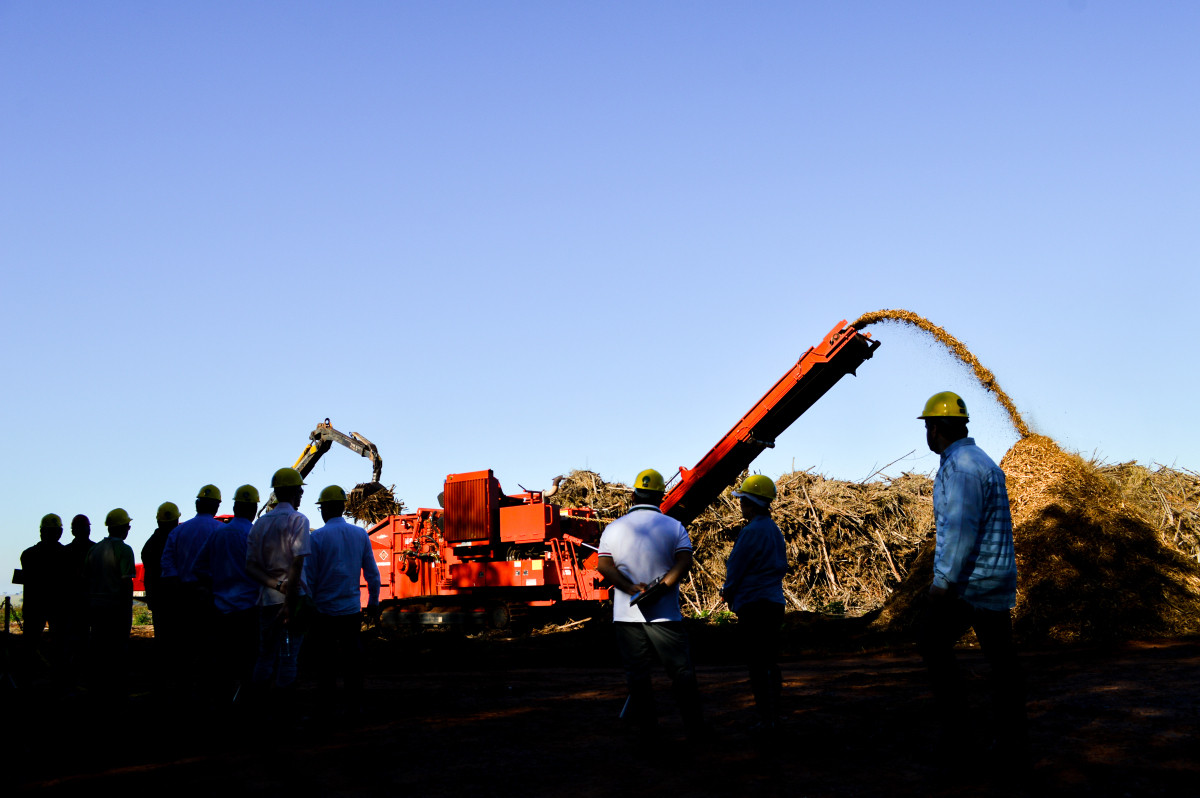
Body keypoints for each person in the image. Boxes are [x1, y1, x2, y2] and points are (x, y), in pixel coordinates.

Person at [916, 391, 1028, 762]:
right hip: (993, 580)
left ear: (935, 428)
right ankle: (1011, 743)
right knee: (1003, 665)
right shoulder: (979, 460)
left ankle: (960, 738)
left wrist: (942, 584)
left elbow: (961, 530)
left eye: (927, 427)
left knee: (934, 645)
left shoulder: (961, 466)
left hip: (969, 585)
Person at [596, 468, 704, 737]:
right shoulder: (674, 526)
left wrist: (631, 588)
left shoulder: (614, 528)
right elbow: (684, 561)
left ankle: (648, 732)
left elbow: (604, 565)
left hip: (626, 616)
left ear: (634, 495)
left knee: (638, 675)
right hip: (665, 615)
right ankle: (694, 727)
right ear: (660, 497)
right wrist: (662, 587)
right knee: (680, 671)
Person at [720, 474, 788, 732]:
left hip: (753, 604)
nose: (740, 505)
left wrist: (728, 592)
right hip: (773, 602)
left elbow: (735, 568)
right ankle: (774, 715)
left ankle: (765, 718)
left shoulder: (750, 532)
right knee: (770, 660)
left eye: (742, 501)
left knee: (757, 664)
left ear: (749, 503)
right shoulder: (774, 530)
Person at [307, 485, 381, 718]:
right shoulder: (360, 535)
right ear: (343, 508)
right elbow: (372, 573)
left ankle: (326, 711)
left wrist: (306, 606)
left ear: (325, 509)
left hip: (324, 612)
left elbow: (307, 579)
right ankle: (354, 709)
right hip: (350, 611)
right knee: (353, 663)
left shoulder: (316, 538)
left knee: (326, 664)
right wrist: (374, 602)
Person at [245, 468, 312, 697]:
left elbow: (250, 567)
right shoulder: (298, 520)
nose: (301, 495)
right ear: (294, 492)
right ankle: (284, 713)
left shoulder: (259, 524)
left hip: (267, 600)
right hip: (294, 600)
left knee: (265, 655)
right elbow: (297, 564)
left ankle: (258, 707)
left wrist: (275, 586)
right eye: (300, 490)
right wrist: (288, 602)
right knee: (289, 657)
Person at [194, 485, 261, 704]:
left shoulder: (218, 534)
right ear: (254, 508)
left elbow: (199, 568)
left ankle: (222, 705)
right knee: (248, 664)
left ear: (234, 506)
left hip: (221, 610)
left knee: (223, 664)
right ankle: (245, 706)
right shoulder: (254, 535)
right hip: (249, 611)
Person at [160, 485, 225, 685]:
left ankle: (182, 690)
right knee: (211, 650)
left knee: (184, 651)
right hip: (213, 599)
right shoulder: (221, 531)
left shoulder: (179, 532)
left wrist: (180, 587)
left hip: (184, 597)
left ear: (197, 504)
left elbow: (167, 567)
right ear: (216, 506)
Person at [84, 508, 136, 700]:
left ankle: (97, 689)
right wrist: (127, 610)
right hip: (115, 608)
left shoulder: (94, 549)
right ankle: (116, 691)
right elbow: (126, 583)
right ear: (123, 527)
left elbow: (85, 578)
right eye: (128, 525)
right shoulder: (124, 550)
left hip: (94, 607)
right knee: (117, 651)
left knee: (98, 649)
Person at [18, 514, 66, 667]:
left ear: (41, 531)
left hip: (35, 606)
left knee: (29, 646)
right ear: (60, 532)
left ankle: (27, 678)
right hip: (57, 607)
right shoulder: (66, 555)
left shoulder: (28, 555)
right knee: (59, 647)